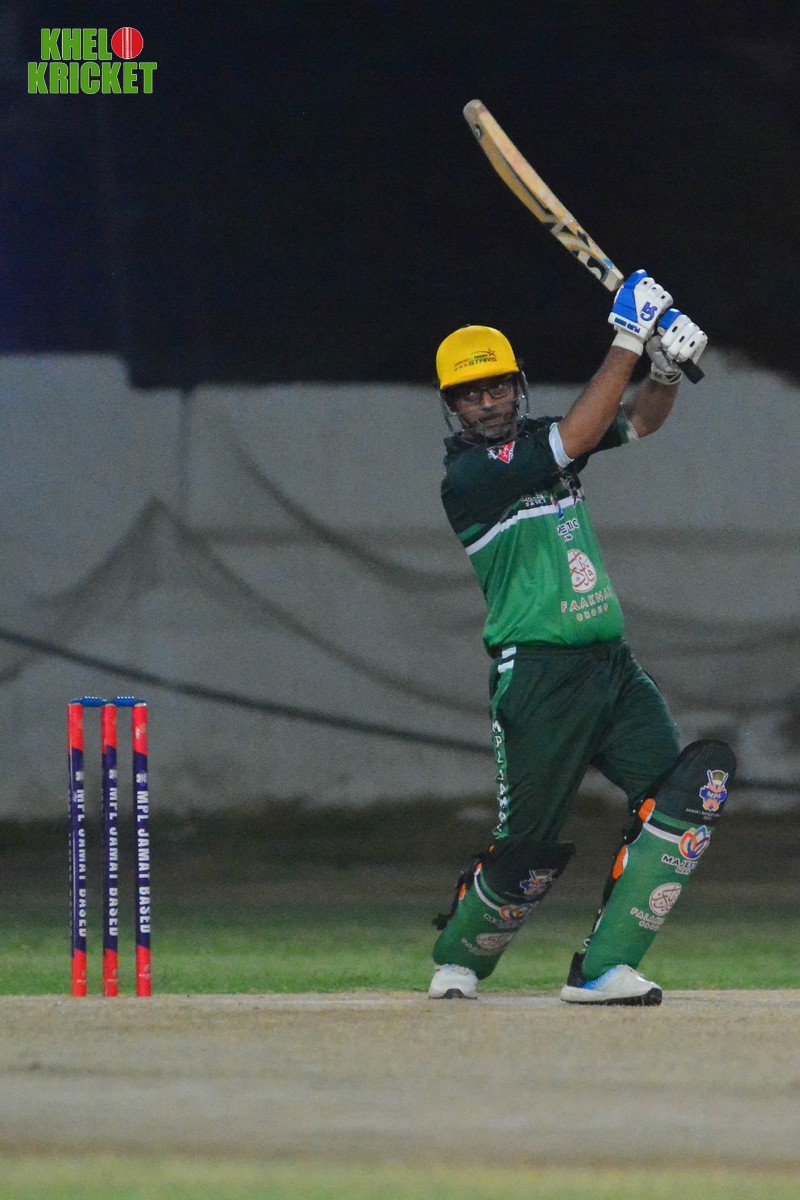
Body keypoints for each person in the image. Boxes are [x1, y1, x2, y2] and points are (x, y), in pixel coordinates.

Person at [429, 270, 736, 1005]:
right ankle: (458, 959)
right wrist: (629, 336)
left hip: (611, 668)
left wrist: (664, 370)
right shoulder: (469, 478)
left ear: (518, 386)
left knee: (680, 802)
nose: (487, 402)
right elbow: (576, 437)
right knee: (527, 847)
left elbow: (639, 422)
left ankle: (603, 968)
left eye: (497, 387)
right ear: (452, 407)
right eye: (470, 395)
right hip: (538, 675)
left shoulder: (547, 440)